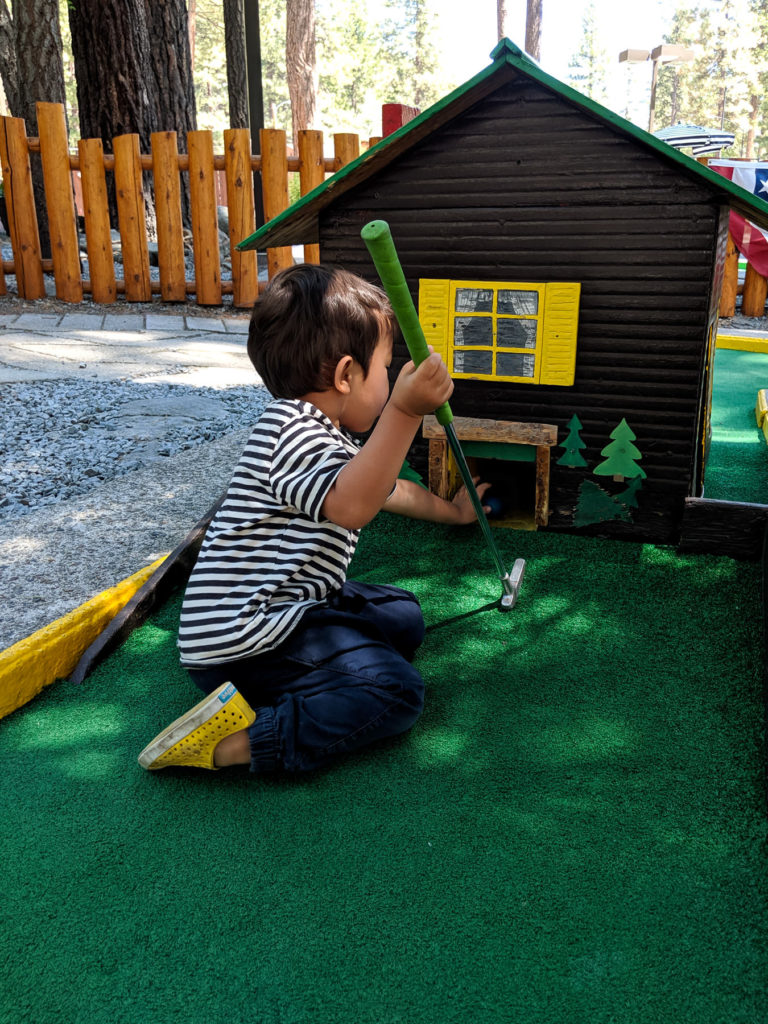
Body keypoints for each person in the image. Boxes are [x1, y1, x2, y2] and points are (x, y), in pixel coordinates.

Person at [138, 263, 488, 776]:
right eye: (386, 368)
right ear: (347, 375)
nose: (391, 382)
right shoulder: (288, 430)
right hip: (244, 639)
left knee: (404, 615)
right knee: (396, 691)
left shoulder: (325, 438)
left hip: (288, 608)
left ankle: (310, 677)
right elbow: (353, 505)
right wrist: (407, 412)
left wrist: (455, 513)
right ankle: (235, 744)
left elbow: (392, 491)